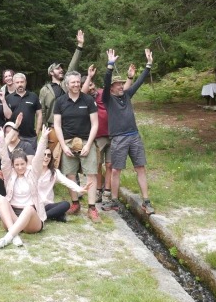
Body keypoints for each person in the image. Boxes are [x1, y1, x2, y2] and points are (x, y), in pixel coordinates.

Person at [102, 49, 155, 215]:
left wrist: (148, 64)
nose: (121, 86)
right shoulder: (107, 99)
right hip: (118, 139)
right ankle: (114, 200)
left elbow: (139, 82)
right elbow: (106, 81)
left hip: (134, 136)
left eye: (122, 84)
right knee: (116, 170)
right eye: (118, 84)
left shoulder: (126, 95)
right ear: (111, 88)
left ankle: (146, 201)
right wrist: (110, 65)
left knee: (140, 168)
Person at [0, 125, 51, 249]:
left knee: (28, 208)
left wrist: (44, 138)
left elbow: (39, 158)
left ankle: (6, 239)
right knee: (1, 199)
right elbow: (4, 159)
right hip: (12, 216)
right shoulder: (9, 174)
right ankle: (14, 235)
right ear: (13, 165)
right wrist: (2, 139)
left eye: (22, 164)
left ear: (26, 163)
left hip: (31, 219)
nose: (20, 167)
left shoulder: (33, 173)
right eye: (17, 165)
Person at [53, 71, 100, 221]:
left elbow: (95, 124)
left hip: (86, 141)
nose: (76, 84)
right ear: (67, 84)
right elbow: (57, 125)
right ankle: (75, 204)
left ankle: (92, 208)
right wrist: (63, 146)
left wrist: (89, 144)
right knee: (70, 174)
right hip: (67, 142)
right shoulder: (60, 101)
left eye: (78, 82)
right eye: (73, 82)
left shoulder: (88, 100)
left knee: (91, 174)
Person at [85, 64, 132, 202]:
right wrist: (88, 78)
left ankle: (107, 191)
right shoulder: (85, 99)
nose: (91, 88)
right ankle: (98, 190)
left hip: (112, 133)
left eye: (92, 84)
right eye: (88, 85)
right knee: (98, 165)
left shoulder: (103, 93)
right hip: (97, 136)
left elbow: (123, 90)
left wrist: (129, 78)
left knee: (110, 164)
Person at [39, 30, 84, 159]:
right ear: (51, 72)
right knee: (53, 157)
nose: (61, 70)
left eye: (61, 68)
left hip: (70, 126)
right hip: (53, 128)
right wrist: (43, 130)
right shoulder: (45, 90)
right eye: (57, 68)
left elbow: (73, 66)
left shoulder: (67, 84)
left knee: (71, 156)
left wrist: (80, 46)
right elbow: (42, 111)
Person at [36, 143, 89, 222]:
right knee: (60, 215)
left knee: (66, 204)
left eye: (49, 155)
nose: (46, 157)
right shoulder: (32, 170)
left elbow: (67, 182)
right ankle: (55, 215)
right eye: (44, 155)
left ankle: (42, 217)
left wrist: (79, 189)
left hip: (48, 205)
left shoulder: (54, 172)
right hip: (35, 205)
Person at [4, 73, 42, 153]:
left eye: (22, 82)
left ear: (26, 82)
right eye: (17, 82)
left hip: (30, 136)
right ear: (14, 83)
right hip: (14, 136)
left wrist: (37, 132)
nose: (20, 84)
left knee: (31, 158)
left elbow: (39, 114)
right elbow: (5, 116)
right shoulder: (8, 98)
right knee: (13, 158)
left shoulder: (33, 96)